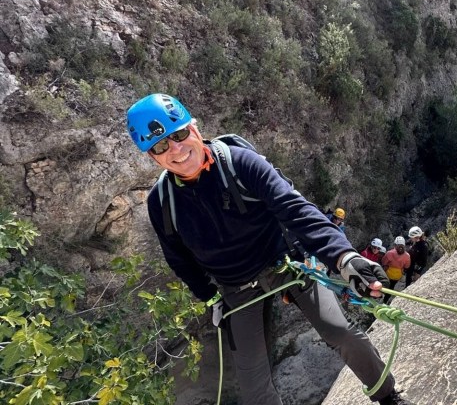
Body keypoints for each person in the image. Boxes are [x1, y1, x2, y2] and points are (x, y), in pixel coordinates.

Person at [126, 94, 414, 405]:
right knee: (254, 388)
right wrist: (209, 296)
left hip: (285, 264)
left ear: (194, 128)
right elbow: (177, 257)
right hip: (235, 289)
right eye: (160, 147)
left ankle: (388, 397)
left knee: (341, 333)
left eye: (179, 134)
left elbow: (295, 210)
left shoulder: (240, 164)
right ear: (152, 157)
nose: (176, 150)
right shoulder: (161, 202)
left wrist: (344, 258)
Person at [380, 236, 411, 304]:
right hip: (397, 276)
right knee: (391, 288)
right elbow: (407, 266)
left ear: (395, 245)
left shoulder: (389, 253)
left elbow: (384, 262)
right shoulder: (407, 256)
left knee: (383, 286)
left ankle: (378, 298)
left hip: (387, 274)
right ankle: (385, 301)